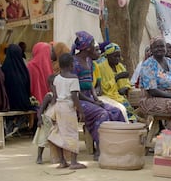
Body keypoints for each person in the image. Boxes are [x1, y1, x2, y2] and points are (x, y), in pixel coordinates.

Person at [71, 31, 125, 160]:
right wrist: (94, 101)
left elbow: (90, 84)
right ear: (87, 47)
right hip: (77, 101)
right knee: (102, 114)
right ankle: (101, 149)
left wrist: (95, 99)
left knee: (116, 111)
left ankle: (118, 145)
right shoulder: (74, 63)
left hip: (89, 99)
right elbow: (74, 91)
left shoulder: (89, 61)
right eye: (92, 43)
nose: (95, 46)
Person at [48, 53, 86, 169]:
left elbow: (55, 95)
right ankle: (74, 162)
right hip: (68, 108)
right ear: (71, 65)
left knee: (59, 132)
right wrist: (81, 111)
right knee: (72, 133)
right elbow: (75, 97)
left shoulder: (56, 78)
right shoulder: (73, 79)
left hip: (58, 107)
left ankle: (62, 161)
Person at [97, 43, 134, 120]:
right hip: (107, 96)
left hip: (120, 96)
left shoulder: (120, 66)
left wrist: (125, 88)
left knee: (128, 107)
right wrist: (117, 77)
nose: (118, 58)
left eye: (119, 56)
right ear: (107, 56)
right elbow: (103, 87)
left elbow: (127, 82)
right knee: (124, 108)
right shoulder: (101, 68)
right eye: (115, 56)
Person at [33, 74, 56, 164]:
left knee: (56, 140)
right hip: (46, 121)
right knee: (42, 139)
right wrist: (39, 119)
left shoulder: (61, 96)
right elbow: (41, 109)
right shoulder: (49, 96)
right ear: (49, 86)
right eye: (53, 85)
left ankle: (57, 156)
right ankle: (39, 156)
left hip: (55, 121)